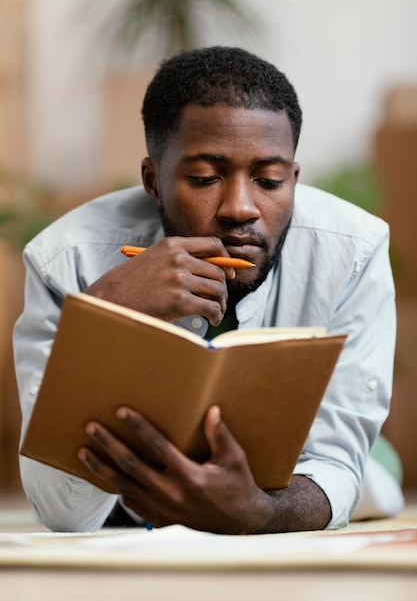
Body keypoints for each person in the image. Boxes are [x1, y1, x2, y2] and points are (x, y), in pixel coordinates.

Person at [13, 46, 403, 534]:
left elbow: (335, 462)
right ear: (153, 180)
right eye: (204, 177)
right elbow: (61, 511)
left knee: (371, 479)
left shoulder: (354, 250)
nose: (241, 207)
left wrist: (260, 513)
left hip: (301, 459)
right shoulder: (63, 259)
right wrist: (104, 317)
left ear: (294, 180)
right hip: (135, 510)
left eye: (270, 180)